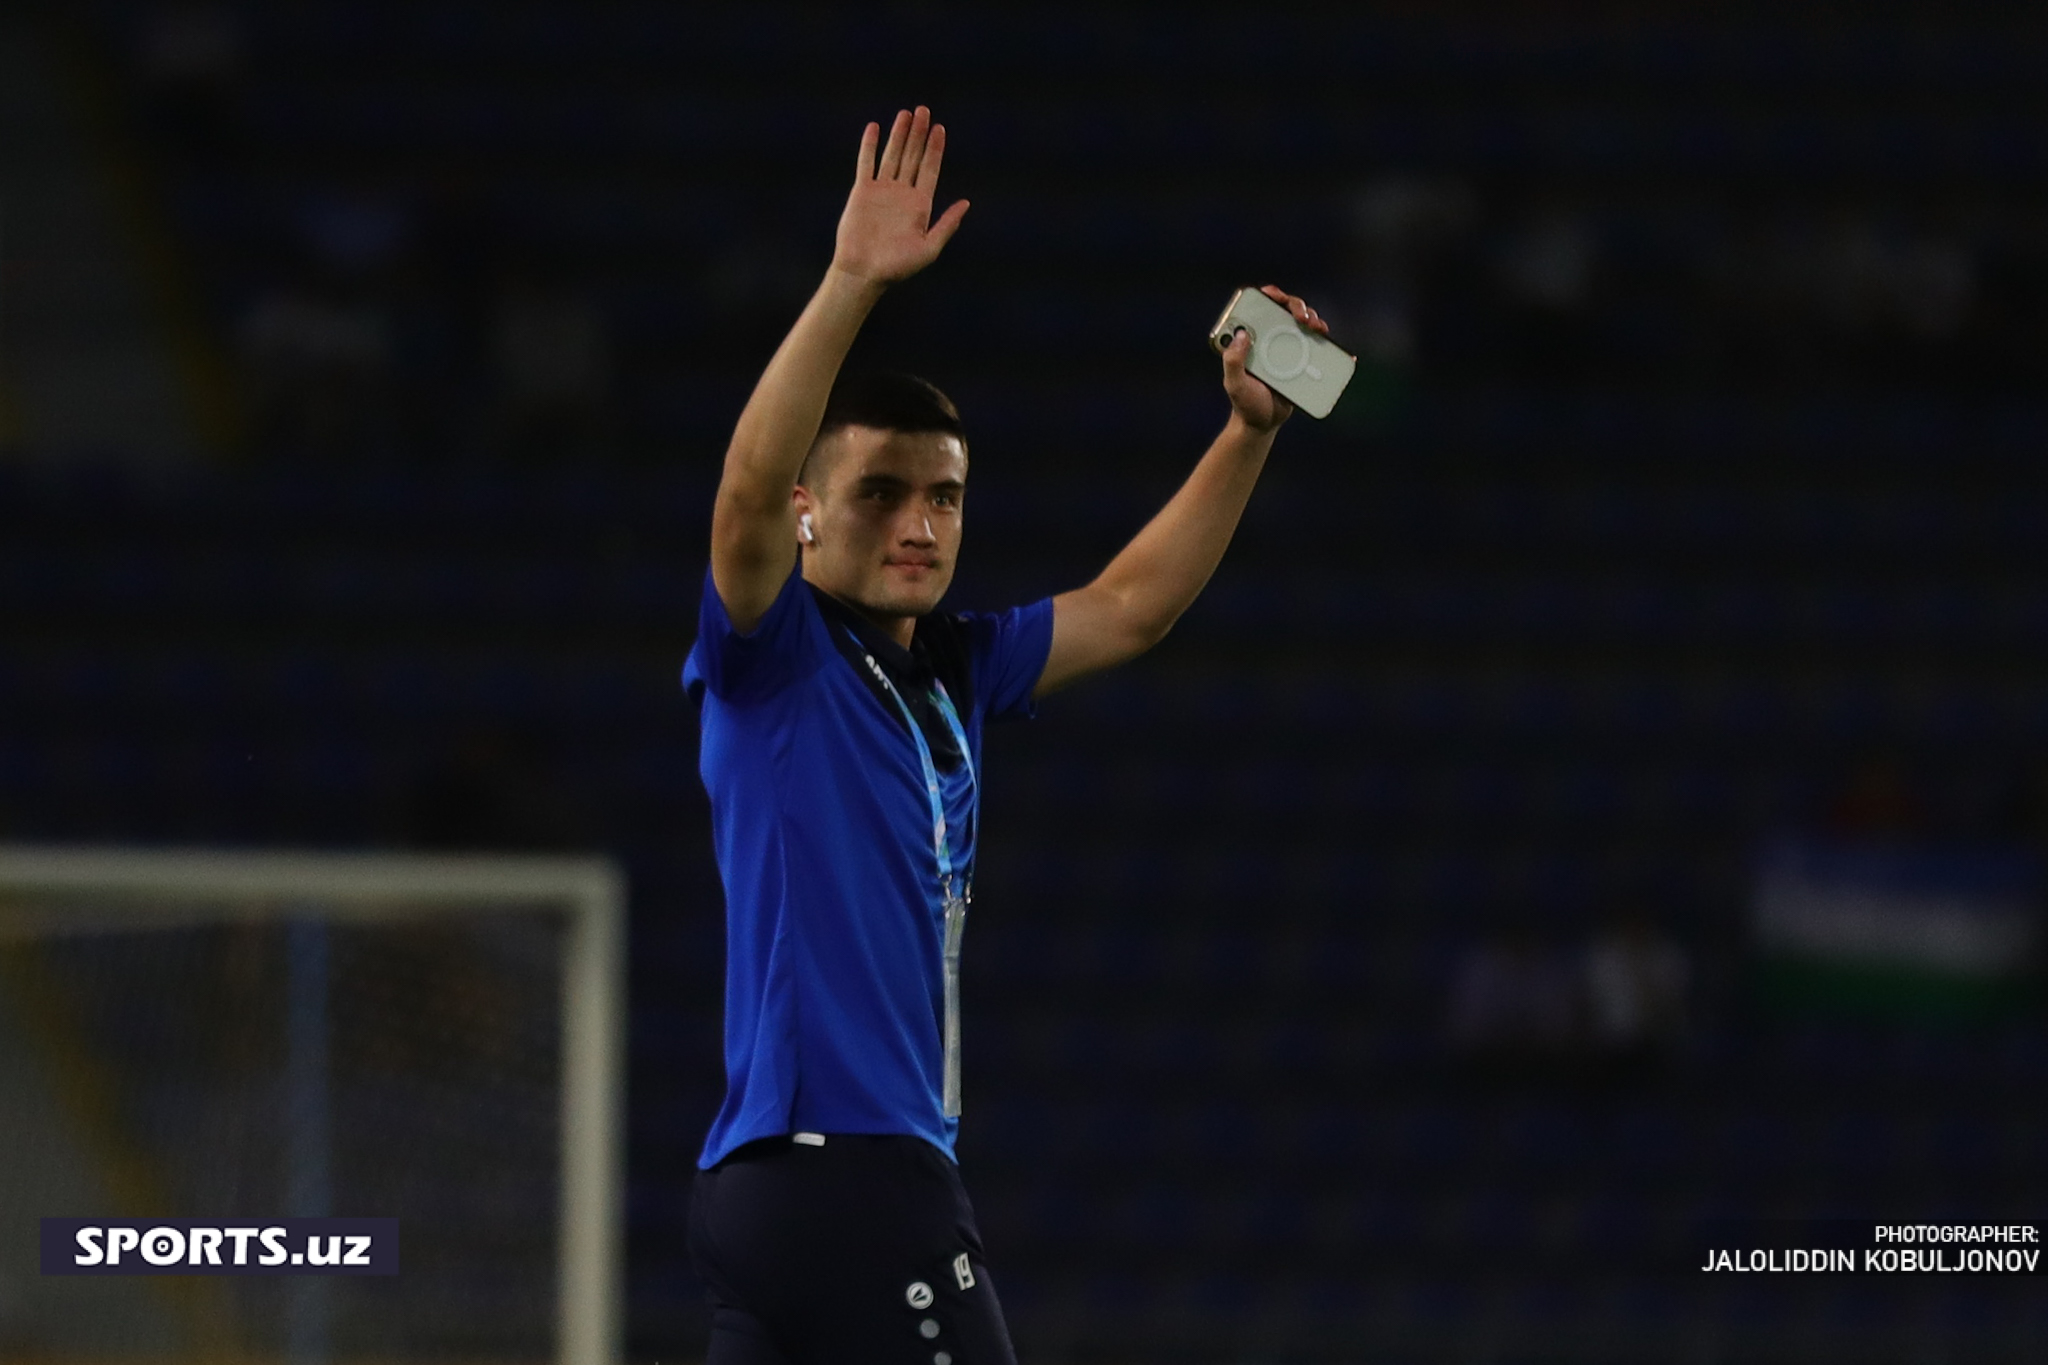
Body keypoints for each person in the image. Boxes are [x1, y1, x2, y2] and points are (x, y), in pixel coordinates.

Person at [682, 105, 1328, 1365]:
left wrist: (1248, 431)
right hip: (851, 1180)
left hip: (771, 1193)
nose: (919, 524)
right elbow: (746, 491)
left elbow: (1130, 607)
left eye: (944, 497)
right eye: (880, 494)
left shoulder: (956, 669)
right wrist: (850, 285)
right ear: (813, 517)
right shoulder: (777, 657)